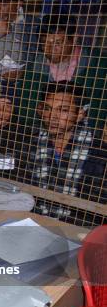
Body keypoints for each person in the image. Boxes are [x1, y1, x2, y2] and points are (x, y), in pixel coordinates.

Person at [30, 82, 104, 220]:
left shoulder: (99, 152)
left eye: (63, 110)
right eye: (48, 108)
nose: (53, 116)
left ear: (80, 114)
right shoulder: (31, 142)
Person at [20, 13, 106, 128]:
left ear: (74, 39)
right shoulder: (34, 68)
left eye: (57, 43)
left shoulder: (98, 64)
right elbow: (26, 112)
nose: (49, 49)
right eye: (44, 42)